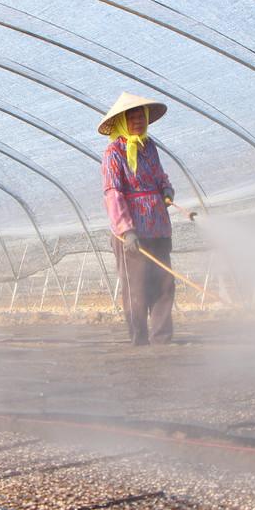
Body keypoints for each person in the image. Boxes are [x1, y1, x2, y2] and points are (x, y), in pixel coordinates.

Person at [100, 92, 176, 346]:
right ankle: (139, 339)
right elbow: (113, 193)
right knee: (137, 287)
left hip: (157, 227)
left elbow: (158, 175)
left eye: (140, 116)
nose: (137, 121)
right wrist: (126, 230)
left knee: (164, 283)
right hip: (133, 232)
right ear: (122, 121)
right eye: (131, 117)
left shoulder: (149, 146)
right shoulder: (114, 152)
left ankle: (162, 338)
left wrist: (165, 189)